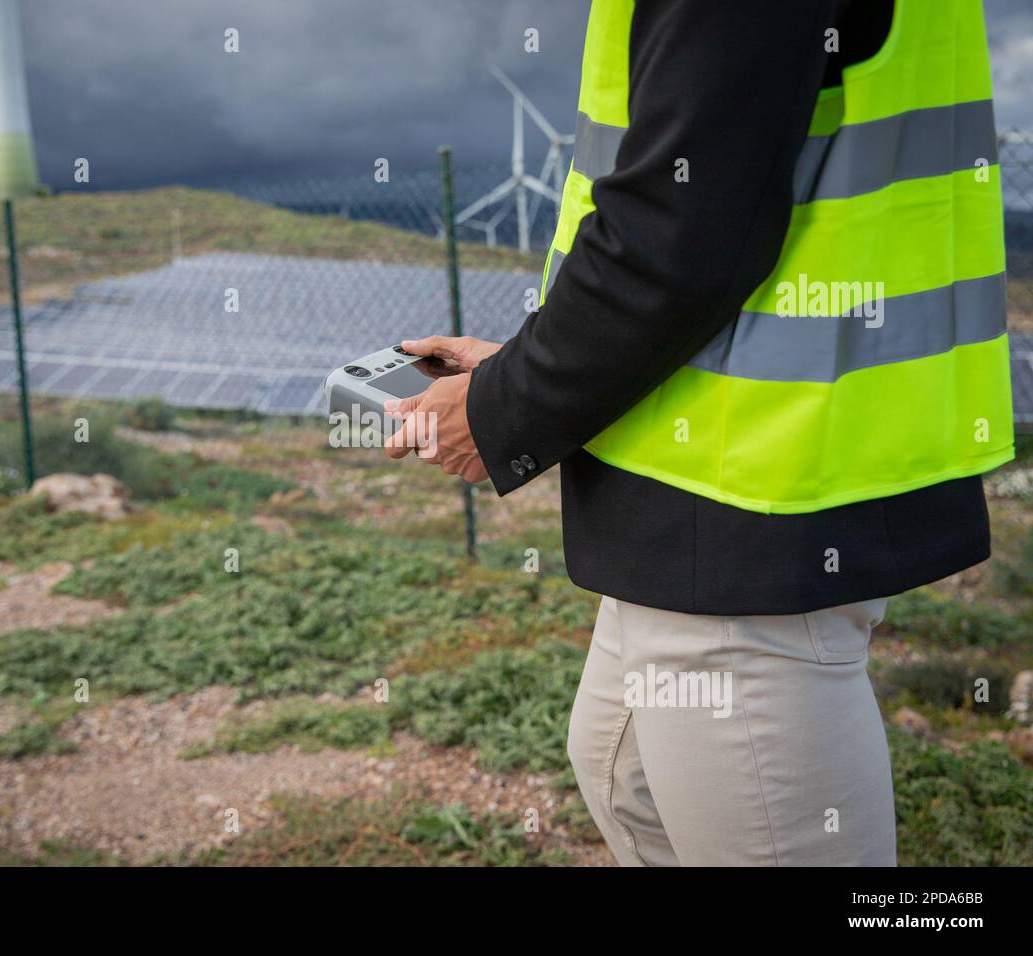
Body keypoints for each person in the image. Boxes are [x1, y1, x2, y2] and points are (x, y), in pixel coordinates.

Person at [383, 0, 1013, 865]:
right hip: (726, 482)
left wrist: (505, 408)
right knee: (626, 781)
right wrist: (522, 369)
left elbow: (679, 235)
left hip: (747, 515)